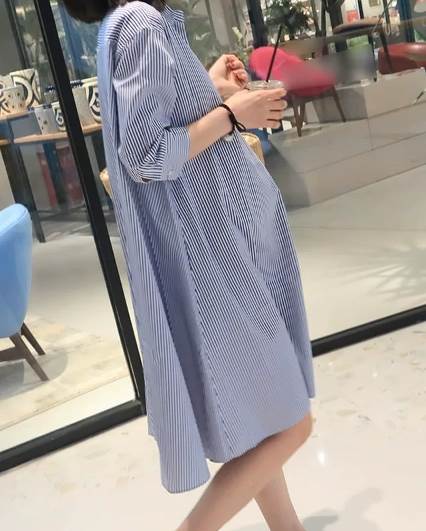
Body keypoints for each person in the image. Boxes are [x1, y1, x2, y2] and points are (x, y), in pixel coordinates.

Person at [64, 1, 315, 530]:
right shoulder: (140, 23)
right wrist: (233, 115)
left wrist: (210, 88)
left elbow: (162, 120)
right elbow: (146, 156)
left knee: (264, 418)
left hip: (208, 253)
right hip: (212, 261)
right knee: (293, 424)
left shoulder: (127, 25)